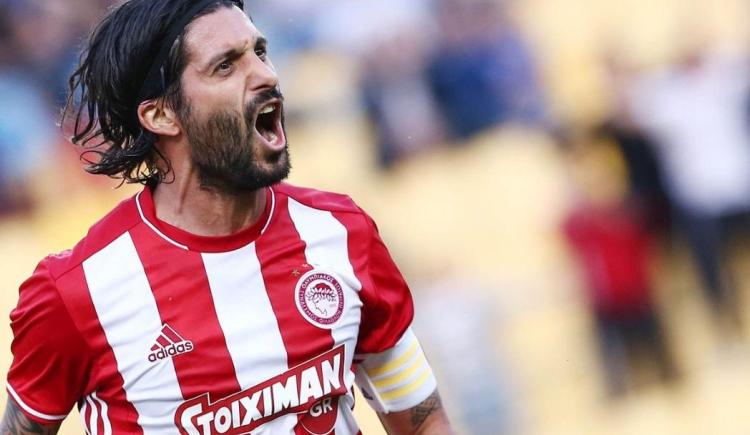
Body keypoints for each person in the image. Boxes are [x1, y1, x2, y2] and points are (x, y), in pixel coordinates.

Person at [1, 1, 453, 434]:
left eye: (260, 52)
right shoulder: (77, 291)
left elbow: (424, 423)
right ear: (161, 114)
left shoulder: (342, 233)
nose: (266, 75)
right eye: (225, 66)